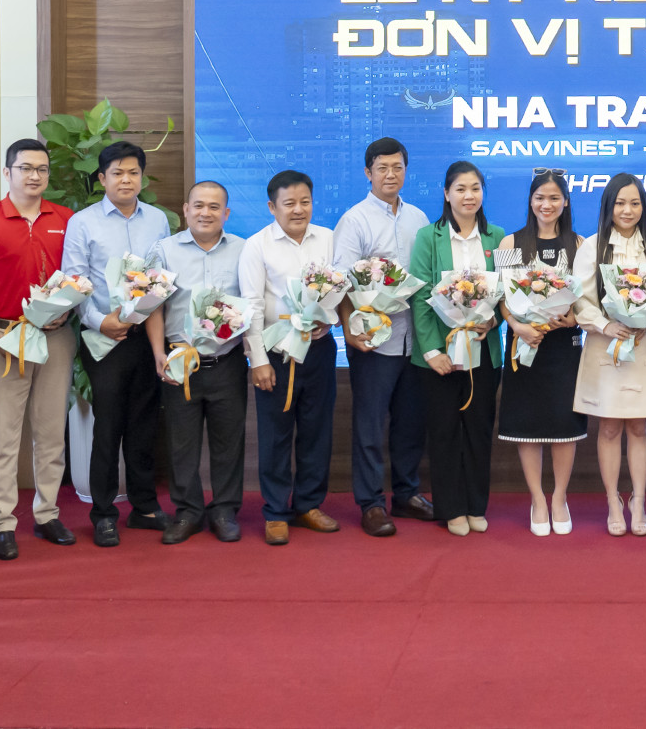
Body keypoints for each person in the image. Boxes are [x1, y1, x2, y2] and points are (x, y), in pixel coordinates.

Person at [0, 138, 77, 559]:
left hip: (56, 337)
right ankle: (2, 524)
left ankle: (47, 513)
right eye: (26, 168)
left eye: (42, 169)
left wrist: (65, 313)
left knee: (51, 430)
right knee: (3, 433)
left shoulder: (66, 219)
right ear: (7, 172)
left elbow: (76, 278)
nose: (35, 176)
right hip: (5, 336)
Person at [62, 141, 173, 547]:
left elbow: (161, 278)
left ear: (142, 177)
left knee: (144, 424)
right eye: (117, 173)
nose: (126, 180)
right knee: (107, 427)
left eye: (133, 173)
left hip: (148, 334)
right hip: (104, 338)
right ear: (102, 178)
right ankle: (104, 512)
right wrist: (99, 321)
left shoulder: (158, 219)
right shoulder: (83, 222)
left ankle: (144, 507)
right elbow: (74, 281)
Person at [331, 137, 435, 537]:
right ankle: (371, 503)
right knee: (370, 426)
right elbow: (339, 283)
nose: (391, 175)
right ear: (367, 173)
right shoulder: (354, 220)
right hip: (372, 341)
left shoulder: (419, 218)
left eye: (398, 167)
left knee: (410, 424)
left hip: (415, 340)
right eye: (382, 168)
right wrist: (347, 331)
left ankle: (407, 494)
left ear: (406, 170)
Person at [144, 181, 250, 545]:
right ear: (185, 209)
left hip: (227, 361)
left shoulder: (243, 250)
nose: (206, 213)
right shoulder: (164, 250)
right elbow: (152, 305)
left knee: (228, 441)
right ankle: (187, 511)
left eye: (215, 207)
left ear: (226, 213)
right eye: (199, 206)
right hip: (180, 361)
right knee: (181, 443)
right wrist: (158, 353)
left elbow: (253, 303)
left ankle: (223, 510)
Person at [240, 170, 341, 546]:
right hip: (277, 351)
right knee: (275, 436)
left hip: (318, 349)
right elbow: (251, 304)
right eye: (289, 203)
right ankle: (275, 512)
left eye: (305, 202)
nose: (299, 210)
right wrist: (258, 359)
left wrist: (328, 322)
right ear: (272, 206)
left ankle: (309, 505)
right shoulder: (257, 246)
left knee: (317, 431)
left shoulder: (330, 239)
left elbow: (341, 292)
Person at [408, 162, 506, 536]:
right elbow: (418, 296)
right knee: (445, 431)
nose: (469, 196)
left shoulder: (498, 237)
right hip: (441, 356)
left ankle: (475, 505)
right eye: (461, 189)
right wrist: (433, 351)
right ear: (447, 193)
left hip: (483, 351)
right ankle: (451, 508)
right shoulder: (427, 238)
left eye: (476, 188)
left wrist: (492, 320)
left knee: (479, 430)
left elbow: (507, 295)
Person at [572, 173, 646, 537]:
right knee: (609, 426)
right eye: (620, 203)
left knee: (639, 426)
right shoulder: (591, 247)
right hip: (604, 346)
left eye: (635, 203)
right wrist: (604, 325)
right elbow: (578, 298)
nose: (628, 210)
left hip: (643, 346)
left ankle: (638, 500)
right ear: (608, 207)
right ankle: (613, 500)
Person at [497, 169, 587, 536]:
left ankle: (560, 497)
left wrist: (573, 318)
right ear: (530, 201)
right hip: (523, 343)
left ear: (565, 201)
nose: (546, 204)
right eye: (539, 198)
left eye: (554, 198)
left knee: (563, 424)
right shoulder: (510, 243)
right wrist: (517, 326)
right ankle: (537, 498)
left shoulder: (579, 244)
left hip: (563, 347)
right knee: (528, 425)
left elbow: (586, 298)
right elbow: (502, 297)